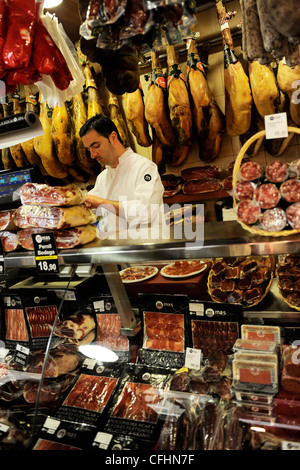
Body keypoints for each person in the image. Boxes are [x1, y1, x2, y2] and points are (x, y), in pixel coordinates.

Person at [79, 113, 166, 238]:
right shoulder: (102, 178)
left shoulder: (144, 167)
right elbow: (92, 209)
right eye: (89, 149)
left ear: (113, 138)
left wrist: (101, 202)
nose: (92, 155)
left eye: (96, 146)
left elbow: (146, 211)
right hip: (117, 252)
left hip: (146, 251)